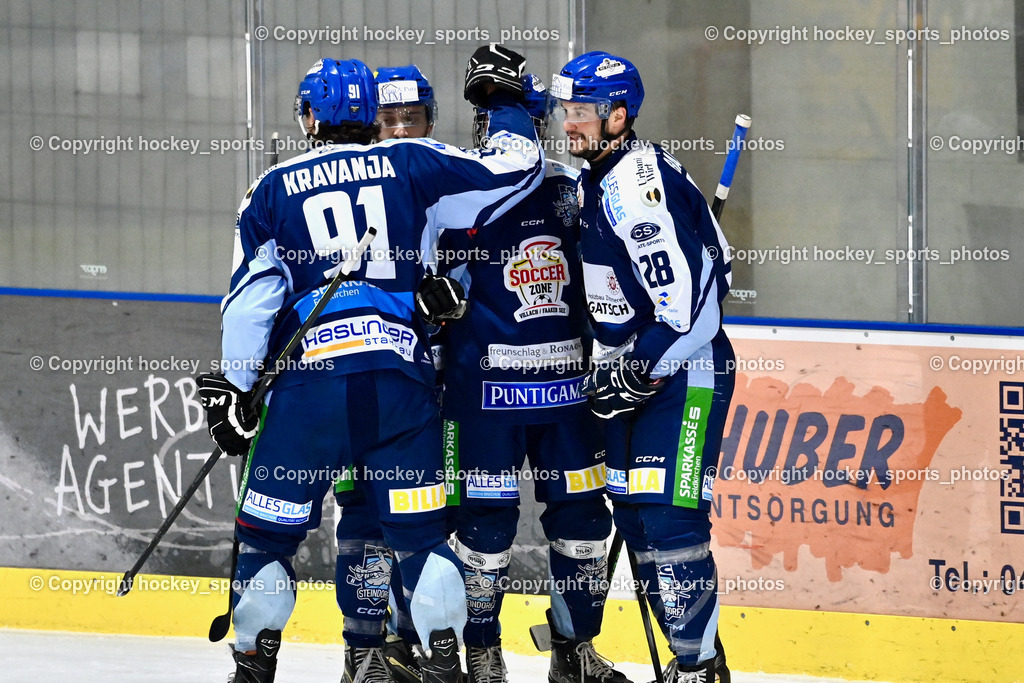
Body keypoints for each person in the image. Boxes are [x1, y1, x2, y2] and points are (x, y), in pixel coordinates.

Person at [196, 47, 542, 683]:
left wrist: (236, 393)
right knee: (421, 541)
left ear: (309, 117)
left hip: (309, 391)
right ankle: (444, 663)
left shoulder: (269, 189)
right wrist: (508, 105)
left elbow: (248, 305)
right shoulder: (413, 161)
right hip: (400, 385)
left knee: (268, 540)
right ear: (373, 113)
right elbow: (515, 172)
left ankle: (253, 667)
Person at [435, 73, 630, 683]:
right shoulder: (455, 193)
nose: (494, 131)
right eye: (488, 117)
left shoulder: (572, 188)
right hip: (481, 396)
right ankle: (482, 648)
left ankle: (574, 648)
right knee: (484, 528)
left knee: (585, 524)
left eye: (507, 115)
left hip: (569, 396)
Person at [550, 51, 736, 683]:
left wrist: (640, 367)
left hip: (686, 374)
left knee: (670, 520)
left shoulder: (636, 186)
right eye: (564, 110)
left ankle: (698, 666)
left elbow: (695, 313)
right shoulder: (596, 178)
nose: (567, 123)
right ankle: (691, 658)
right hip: (633, 376)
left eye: (580, 112)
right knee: (633, 520)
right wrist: (614, 366)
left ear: (618, 114)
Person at [331, 62, 441, 683]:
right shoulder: (343, 192)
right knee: (362, 516)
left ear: (432, 120)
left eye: (412, 118)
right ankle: (363, 650)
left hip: (429, 388)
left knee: (423, 519)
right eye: (387, 118)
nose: (400, 130)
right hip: (359, 384)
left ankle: (411, 642)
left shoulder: (445, 180)